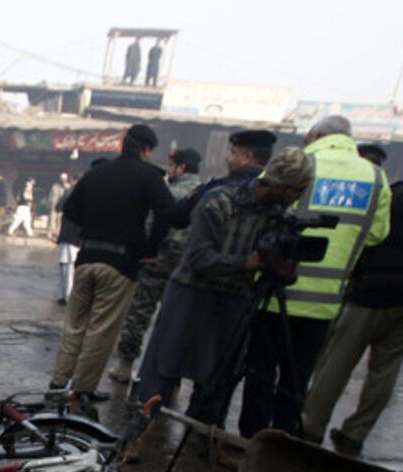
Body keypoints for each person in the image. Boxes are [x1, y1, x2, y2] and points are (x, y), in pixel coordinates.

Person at [129, 148, 314, 439]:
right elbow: (197, 258)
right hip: (192, 294)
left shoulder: (279, 217)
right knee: (162, 370)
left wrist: (284, 270)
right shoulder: (220, 201)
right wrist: (246, 263)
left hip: (236, 300)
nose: (299, 198)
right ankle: (134, 437)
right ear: (282, 185)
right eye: (298, 190)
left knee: (219, 380)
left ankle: (204, 442)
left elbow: (275, 268)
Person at [238, 115, 391, 438]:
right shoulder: (376, 177)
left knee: (260, 372)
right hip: (324, 303)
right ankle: (284, 442)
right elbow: (377, 234)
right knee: (296, 378)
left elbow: (258, 198)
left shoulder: (299, 163)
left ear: (317, 134)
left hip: (274, 292)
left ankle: (252, 440)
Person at [301, 141, 403, 456]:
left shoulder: (398, 194)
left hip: (372, 292)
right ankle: (355, 433)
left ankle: (311, 426)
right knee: (386, 368)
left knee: (338, 361)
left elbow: (371, 234)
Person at [49, 123, 174, 418]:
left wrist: (93, 227)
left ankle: (57, 384)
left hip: (87, 258)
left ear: (122, 145)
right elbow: (168, 212)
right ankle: (82, 390)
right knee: (101, 330)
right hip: (120, 264)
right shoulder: (150, 177)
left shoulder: (96, 173)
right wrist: (150, 248)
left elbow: (70, 210)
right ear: (147, 150)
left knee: (74, 325)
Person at [109, 147, 204, 381]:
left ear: (181, 167)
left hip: (157, 262)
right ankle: (170, 375)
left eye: (171, 166)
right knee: (178, 320)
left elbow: (149, 226)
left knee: (140, 312)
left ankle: (125, 366)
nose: (168, 170)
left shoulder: (166, 192)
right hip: (187, 267)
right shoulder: (206, 194)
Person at [174, 129, 276, 229]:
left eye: (233, 153)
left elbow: (178, 216)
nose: (227, 158)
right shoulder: (274, 196)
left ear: (246, 157)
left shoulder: (217, 190)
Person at [55, 167, 87, 305]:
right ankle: (68, 296)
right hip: (75, 235)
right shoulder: (83, 193)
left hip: (65, 233)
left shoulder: (68, 192)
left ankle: (62, 294)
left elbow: (58, 207)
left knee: (63, 265)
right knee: (70, 267)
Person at [47, 172, 70, 240]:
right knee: (52, 220)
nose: (63, 180)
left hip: (63, 206)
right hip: (54, 206)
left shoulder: (68, 186)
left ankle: (58, 234)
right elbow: (51, 196)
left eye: (64, 179)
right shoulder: (55, 186)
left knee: (60, 221)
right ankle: (50, 233)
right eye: (62, 178)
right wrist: (49, 204)